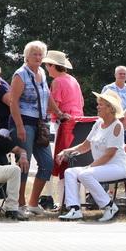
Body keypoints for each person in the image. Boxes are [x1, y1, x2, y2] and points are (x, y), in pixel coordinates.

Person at [7, 40, 64, 216]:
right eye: (34, 54)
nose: (38, 57)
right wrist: (19, 127)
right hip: (23, 122)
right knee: (24, 162)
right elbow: (13, 101)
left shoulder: (42, 73)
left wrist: (59, 113)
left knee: (47, 163)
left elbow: (47, 95)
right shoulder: (20, 74)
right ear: (26, 56)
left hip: (40, 123)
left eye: (40, 54)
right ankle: (20, 204)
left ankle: (33, 203)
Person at [57, 91, 126, 222]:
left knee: (85, 174)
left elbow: (109, 154)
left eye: (101, 104)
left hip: (117, 167)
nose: (97, 107)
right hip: (99, 167)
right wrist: (66, 151)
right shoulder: (98, 123)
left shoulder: (117, 126)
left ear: (110, 108)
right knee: (70, 172)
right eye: (98, 104)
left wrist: (90, 167)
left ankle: (109, 206)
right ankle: (75, 209)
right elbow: (85, 146)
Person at [44, 51, 82, 196]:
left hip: (63, 125)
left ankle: (56, 198)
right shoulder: (73, 80)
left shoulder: (57, 82)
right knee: (73, 161)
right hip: (78, 125)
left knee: (59, 161)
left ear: (52, 65)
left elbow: (53, 106)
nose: (46, 68)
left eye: (47, 65)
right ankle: (69, 197)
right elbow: (81, 103)